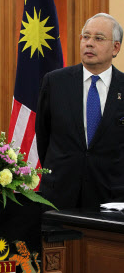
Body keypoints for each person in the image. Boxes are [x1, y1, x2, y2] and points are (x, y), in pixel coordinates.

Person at [35, 13, 124, 210]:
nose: (89, 43)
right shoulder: (54, 82)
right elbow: (43, 136)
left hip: (111, 197)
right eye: (85, 37)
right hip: (60, 194)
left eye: (98, 38)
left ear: (115, 48)